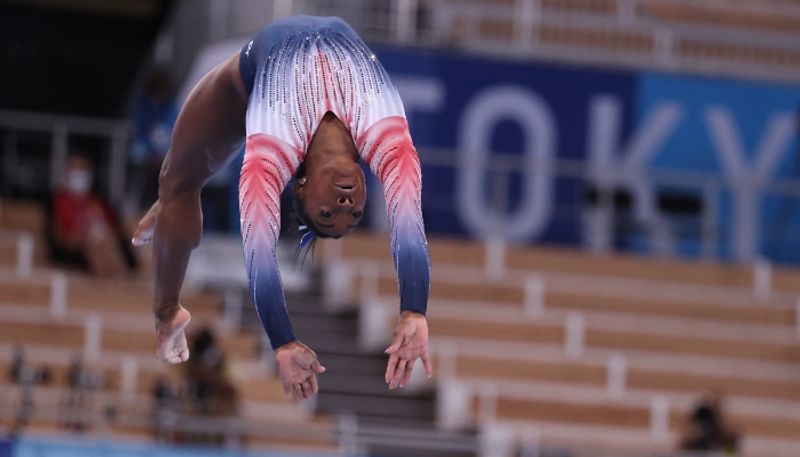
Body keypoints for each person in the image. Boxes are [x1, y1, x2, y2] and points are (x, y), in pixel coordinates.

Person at [132, 15, 432, 401]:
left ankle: (166, 311)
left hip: (241, 83)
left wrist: (283, 342)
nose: (344, 205)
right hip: (274, 63)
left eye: (329, 214)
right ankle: (177, 201)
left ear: (299, 186)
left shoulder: (273, 149)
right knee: (179, 185)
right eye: (353, 213)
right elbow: (409, 230)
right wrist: (414, 312)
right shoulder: (389, 140)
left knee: (176, 185)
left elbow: (260, 259)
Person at [50, 154, 136, 277]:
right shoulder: (60, 201)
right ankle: (109, 280)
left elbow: (112, 227)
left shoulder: (96, 200)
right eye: (76, 169)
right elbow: (58, 233)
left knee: (103, 238)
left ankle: (119, 277)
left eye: (83, 169)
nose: (80, 174)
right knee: (96, 240)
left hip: (100, 240)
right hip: (75, 240)